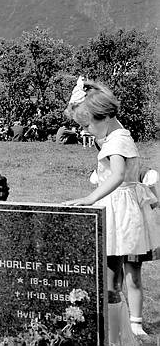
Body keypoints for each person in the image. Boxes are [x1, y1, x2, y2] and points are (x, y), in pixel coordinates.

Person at [65, 77, 160, 338]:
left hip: (119, 211)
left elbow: (117, 175)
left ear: (103, 117)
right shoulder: (116, 135)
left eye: (87, 125)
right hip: (118, 207)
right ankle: (114, 327)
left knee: (113, 273)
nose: (86, 131)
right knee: (111, 275)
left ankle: (120, 329)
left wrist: (90, 198)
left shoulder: (117, 140)